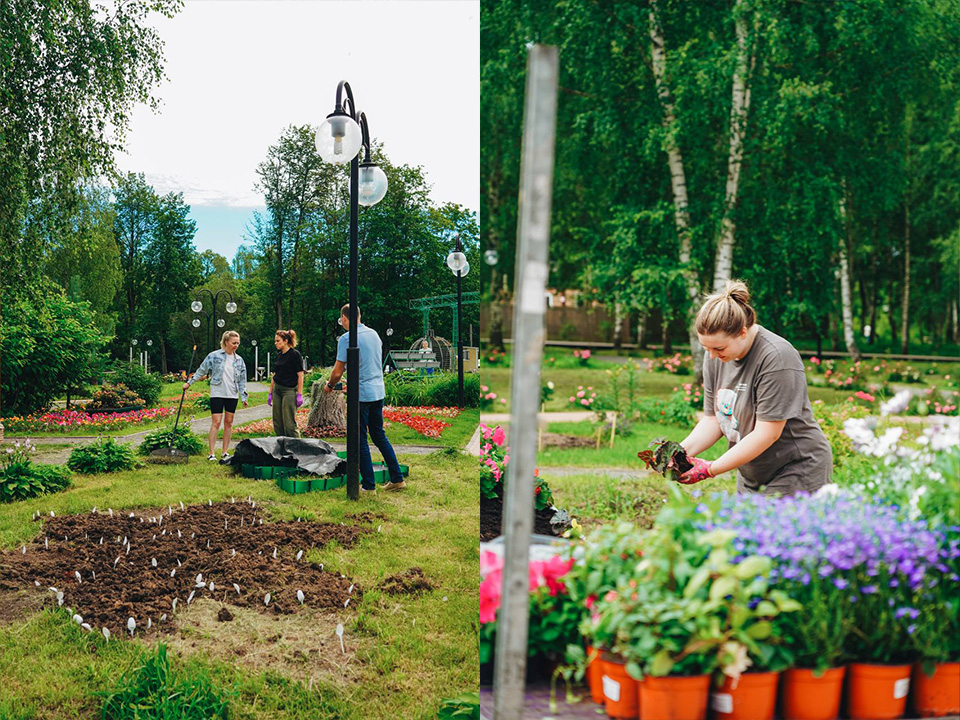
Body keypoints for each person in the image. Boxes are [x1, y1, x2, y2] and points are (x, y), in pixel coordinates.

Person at [675, 280, 832, 496]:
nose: (711, 356)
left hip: (796, 470)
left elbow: (767, 433)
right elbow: (714, 420)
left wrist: (710, 469)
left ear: (741, 333)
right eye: (706, 348)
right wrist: (677, 454)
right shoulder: (715, 356)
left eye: (718, 348)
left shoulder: (776, 358)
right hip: (753, 472)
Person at [325, 304, 406, 495]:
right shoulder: (374, 334)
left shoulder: (347, 338)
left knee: (359, 438)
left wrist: (329, 385)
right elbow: (368, 364)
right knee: (379, 435)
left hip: (360, 395)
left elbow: (337, 371)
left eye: (341, 319)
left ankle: (368, 486)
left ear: (345, 318)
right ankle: (397, 478)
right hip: (378, 391)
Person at [183, 331, 248, 461]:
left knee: (229, 423)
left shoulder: (239, 360)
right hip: (218, 392)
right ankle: (211, 453)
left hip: (232, 394)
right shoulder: (214, 356)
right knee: (216, 422)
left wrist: (243, 396)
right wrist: (189, 383)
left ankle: (224, 452)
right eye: (233, 343)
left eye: (238, 343)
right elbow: (202, 370)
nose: (236, 345)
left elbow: (242, 380)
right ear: (226, 342)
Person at [269, 329, 304, 438]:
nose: (275, 343)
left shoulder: (295, 355)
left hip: (289, 390)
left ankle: (296, 447)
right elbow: (274, 376)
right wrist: (270, 393)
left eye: (278, 341)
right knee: (278, 422)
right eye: (275, 341)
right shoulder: (278, 356)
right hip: (277, 390)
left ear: (285, 341)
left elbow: (300, 375)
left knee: (289, 423)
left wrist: (299, 394)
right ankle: (281, 446)